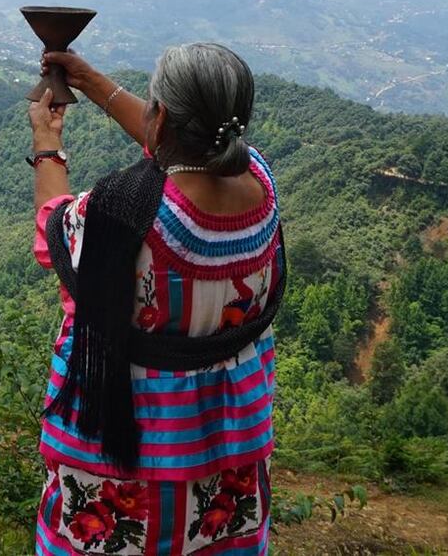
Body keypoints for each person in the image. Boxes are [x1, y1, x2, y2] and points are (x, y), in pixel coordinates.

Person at [28, 43, 284, 555]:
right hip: (226, 448)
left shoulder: (127, 216)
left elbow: (53, 227)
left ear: (162, 114)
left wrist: (47, 144)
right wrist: (93, 82)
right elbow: (183, 149)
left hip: (129, 458)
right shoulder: (260, 184)